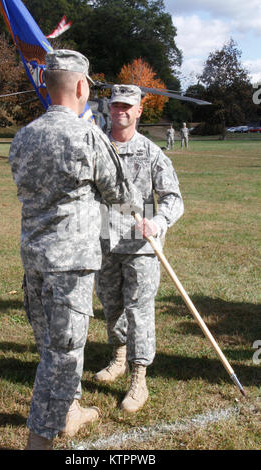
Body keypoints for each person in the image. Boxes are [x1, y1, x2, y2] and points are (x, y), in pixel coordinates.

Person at [8, 51, 143, 450]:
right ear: (82, 86)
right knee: (63, 355)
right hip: (71, 266)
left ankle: (69, 412)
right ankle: (40, 441)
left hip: (35, 261)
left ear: (49, 87)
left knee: (50, 344)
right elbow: (120, 194)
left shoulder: (23, 136)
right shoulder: (87, 136)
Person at [95, 84, 184, 413]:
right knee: (110, 305)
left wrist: (158, 223)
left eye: (126, 106)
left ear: (138, 111)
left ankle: (139, 377)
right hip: (103, 241)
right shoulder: (97, 146)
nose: (120, 110)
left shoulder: (151, 152)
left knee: (139, 310)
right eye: (115, 105)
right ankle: (118, 356)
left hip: (141, 246)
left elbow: (173, 198)